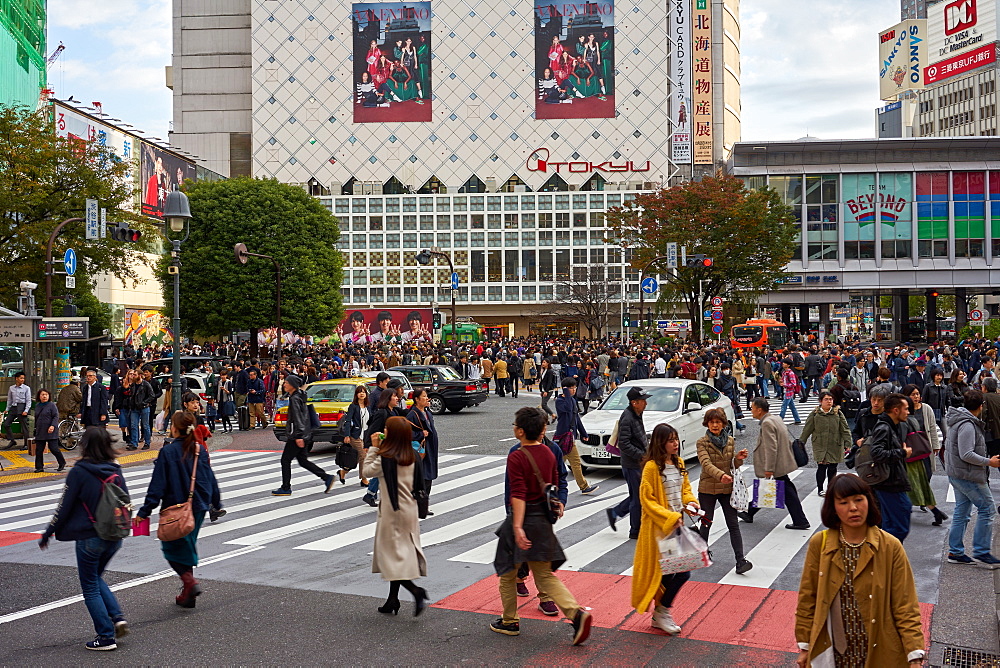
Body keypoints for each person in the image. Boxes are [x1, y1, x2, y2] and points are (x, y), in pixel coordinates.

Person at [794, 474, 925, 668]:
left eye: (858, 500)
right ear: (833, 508)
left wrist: (914, 654)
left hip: (878, 647)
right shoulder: (820, 544)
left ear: (869, 501)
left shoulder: (890, 546)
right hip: (833, 648)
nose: (853, 508)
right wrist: (805, 646)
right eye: (844, 502)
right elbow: (808, 597)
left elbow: (905, 604)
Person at [491, 406, 593, 645]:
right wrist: (557, 505)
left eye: (516, 425)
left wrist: (516, 527)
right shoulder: (549, 452)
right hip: (542, 521)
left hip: (522, 518)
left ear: (521, 431)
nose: (514, 428)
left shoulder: (517, 455)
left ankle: (509, 621)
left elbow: (516, 494)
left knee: (507, 573)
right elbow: (555, 484)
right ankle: (576, 613)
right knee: (545, 574)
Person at [39, 427, 130, 650]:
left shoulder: (79, 472)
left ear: (85, 445)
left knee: (89, 585)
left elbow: (64, 507)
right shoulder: (115, 469)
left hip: (90, 537)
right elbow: (125, 501)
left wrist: (49, 532)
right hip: (114, 535)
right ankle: (117, 617)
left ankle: (106, 636)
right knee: (96, 577)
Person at [135, 411, 222, 608]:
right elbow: (209, 476)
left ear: (175, 428)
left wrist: (145, 510)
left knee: (171, 548)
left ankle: (189, 582)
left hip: (175, 507)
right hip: (198, 505)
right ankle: (188, 594)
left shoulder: (168, 452)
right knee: (186, 544)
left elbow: (158, 484)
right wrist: (216, 501)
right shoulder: (199, 449)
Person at [631, 423, 700, 635]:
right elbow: (647, 500)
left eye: (676, 439)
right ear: (661, 443)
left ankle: (661, 611)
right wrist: (670, 516)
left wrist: (691, 503)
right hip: (659, 529)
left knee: (674, 572)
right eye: (671, 440)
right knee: (674, 572)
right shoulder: (652, 467)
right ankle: (661, 611)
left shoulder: (679, 462)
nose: (675, 443)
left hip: (675, 525)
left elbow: (684, 489)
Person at [363, 416, 429, 616]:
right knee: (398, 556)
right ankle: (392, 600)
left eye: (386, 429)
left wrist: (374, 447)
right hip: (409, 510)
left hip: (392, 512)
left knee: (390, 559)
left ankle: (416, 592)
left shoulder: (386, 457)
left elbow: (366, 470)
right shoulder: (413, 455)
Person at [945, 389, 1000, 565]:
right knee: (988, 509)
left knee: (962, 511)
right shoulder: (967, 424)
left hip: (958, 472)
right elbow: (966, 454)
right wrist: (988, 462)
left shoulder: (961, 419)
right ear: (981, 406)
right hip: (967, 475)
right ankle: (981, 551)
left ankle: (955, 552)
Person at [739, 398, 810, 530]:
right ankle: (749, 511)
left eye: (752, 407)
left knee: (786, 492)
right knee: (775, 487)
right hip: (783, 461)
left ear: (759, 410)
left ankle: (800, 520)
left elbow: (771, 447)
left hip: (777, 464)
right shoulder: (776, 418)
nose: (751, 410)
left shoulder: (767, 423)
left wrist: (769, 468)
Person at [695, 408, 751, 574]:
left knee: (733, 524)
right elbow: (706, 464)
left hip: (727, 489)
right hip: (707, 489)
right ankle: (702, 553)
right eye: (712, 422)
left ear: (723, 424)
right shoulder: (702, 442)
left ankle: (740, 561)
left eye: (718, 422)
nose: (715, 425)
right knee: (706, 523)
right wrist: (721, 476)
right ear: (707, 423)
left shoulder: (730, 440)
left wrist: (738, 459)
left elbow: (730, 464)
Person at [271, 375, 336, 496]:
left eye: (286, 383)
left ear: (292, 385)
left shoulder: (295, 399)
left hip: (298, 434)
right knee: (303, 460)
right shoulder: (300, 395)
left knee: (285, 460)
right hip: (305, 433)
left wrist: (299, 436)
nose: (284, 385)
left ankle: (286, 487)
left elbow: (298, 418)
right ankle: (326, 477)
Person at [864, 393, 914, 542]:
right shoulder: (884, 427)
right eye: (905, 409)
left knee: (891, 523)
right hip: (889, 482)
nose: (908, 412)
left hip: (891, 481)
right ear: (896, 410)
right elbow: (877, 453)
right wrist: (902, 452)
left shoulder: (891, 426)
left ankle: (885, 557)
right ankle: (887, 554)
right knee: (899, 524)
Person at [606, 387, 650, 539]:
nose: (646, 403)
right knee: (638, 497)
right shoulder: (628, 417)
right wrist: (641, 456)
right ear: (634, 402)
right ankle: (635, 531)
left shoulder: (637, 414)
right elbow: (624, 443)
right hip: (632, 464)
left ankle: (615, 512)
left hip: (639, 462)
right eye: (643, 400)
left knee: (638, 494)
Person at [900, 384, 947, 526]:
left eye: (917, 394)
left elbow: (932, 427)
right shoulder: (904, 410)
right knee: (914, 482)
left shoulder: (925, 409)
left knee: (923, 479)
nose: (916, 397)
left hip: (921, 449)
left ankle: (924, 505)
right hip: (909, 453)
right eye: (913, 394)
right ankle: (931, 509)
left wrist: (935, 446)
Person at [799, 390, 851, 497]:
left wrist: (848, 443)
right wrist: (801, 442)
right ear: (820, 401)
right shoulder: (815, 414)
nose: (829, 402)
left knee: (832, 468)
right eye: (826, 399)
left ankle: (831, 488)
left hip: (835, 444)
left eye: (831, 399)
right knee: (821, 467)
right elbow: (807, 429)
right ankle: (820, 488)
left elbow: (845, 429)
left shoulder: (838, 413)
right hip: (820, 444)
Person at [554, 377, 599, 496]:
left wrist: (583, 433)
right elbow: (567, 409)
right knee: (564, 463)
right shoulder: (560, 401)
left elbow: (576, 418)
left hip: (570, 437)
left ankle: (583, 487)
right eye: (572, 388)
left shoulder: (572, 401)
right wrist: (567, 395)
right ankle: (583, 487)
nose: (574, 390)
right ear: (565, 389)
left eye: (574, 387)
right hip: (563, 437)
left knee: (570, 463)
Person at [406, 389, 439, 511]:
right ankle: (419, 505)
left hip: (429, 449)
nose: (427, 399)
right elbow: (407, 433)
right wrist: (420, 434)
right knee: (422, 478)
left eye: (427, 396)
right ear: (417, 399)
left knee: (428, 478)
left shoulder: (426, 412)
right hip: (420, 451)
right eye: (424, 397)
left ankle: (423, 505)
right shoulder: (412, 414)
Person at [339, 384, 370, 485]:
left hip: (365, 436)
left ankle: (343, 472)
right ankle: (363, 478)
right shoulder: (353, 406)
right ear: (356, 394)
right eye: (359, 392)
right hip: (355, 435)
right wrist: (347, 435)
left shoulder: (368, 407)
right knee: (363, 456)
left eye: (363, 392)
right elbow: (348, 421)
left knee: (355, 458)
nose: (362, 393)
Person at [33, 388, 65, 473]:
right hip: (40, 430)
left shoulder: (52, 405)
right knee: (39, 450)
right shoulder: (37, 406)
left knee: (54, 448)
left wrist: (53, 426)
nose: (44, 396)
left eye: (46, 395)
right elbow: (36, 418)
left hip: (51, 430)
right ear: (39, 396)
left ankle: (62, 463)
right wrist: (35, 429)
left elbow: (56, 416)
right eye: (42, 395)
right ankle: (39, 467)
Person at [3, 370, 31, 449]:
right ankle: (12, 440)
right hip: (14, 408)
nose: (22, 380)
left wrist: (26, 410)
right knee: (6, 424)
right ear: (16, 378)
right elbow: (9, 399)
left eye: (23, 378)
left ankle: (26, 444)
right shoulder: (11, 388)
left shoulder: (26, 388)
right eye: (21, 378)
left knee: (24, 427)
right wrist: (7, 409)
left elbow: (28, 400)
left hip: (22, 407)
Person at [778, 358, 802, 424]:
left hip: (789, 391)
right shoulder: (784, 372)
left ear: (788, 365)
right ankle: (797, 419)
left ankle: (780, 419)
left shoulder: (790, 373)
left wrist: (785, 384)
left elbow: (793, 384)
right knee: (792, 406)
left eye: (785, 363)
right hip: (787, 391)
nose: (783, 364)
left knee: (784, 406)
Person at [538, 358, 558, 422]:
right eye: (542, 362)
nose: (542, 364)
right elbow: (542, 381)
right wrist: (541, 390)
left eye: (544, 362)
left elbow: (549, 381)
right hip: (544, 389)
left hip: (549, 390)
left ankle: (553, 415)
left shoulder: (550, 371)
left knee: (544, 404)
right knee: (544, 405)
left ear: (548, 363)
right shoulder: (544, 370)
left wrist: (546, 391)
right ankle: (546, 420)